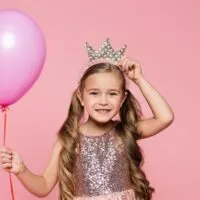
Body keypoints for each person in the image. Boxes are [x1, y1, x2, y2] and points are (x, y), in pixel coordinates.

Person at [0, 39, 174, 200]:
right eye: (94, 93)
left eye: (112, 94)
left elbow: (165, 118)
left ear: (122, 99)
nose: (103, 101)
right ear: (81, 96)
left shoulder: (125, 131)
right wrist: (21, 170)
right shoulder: (68, 139)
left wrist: (139, 79)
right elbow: (44, 186)